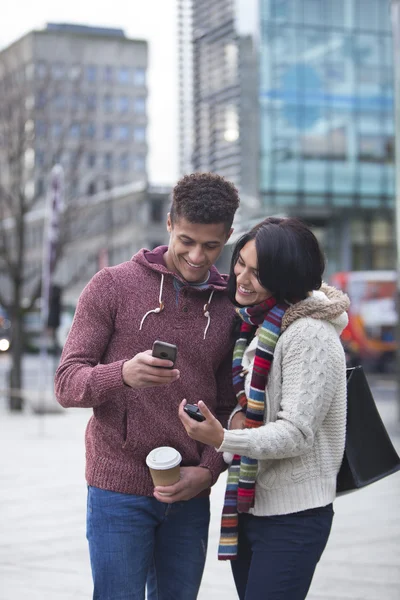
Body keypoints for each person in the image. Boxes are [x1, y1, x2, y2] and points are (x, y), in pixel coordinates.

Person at [54, 172, 240, 600]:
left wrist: (208, 471)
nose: (197, 256)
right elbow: (66, 383)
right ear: (170, 223)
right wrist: (121, 373)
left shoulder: (229, 305)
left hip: (189, 488)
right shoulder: (112, 286)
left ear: (228, 236)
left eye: (211, 246)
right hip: (117, 488)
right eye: (188, 240)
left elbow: (232, 404)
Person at [179, 216, 350, 600]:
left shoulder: (309, 334)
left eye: (259, 272)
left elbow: (297, 433)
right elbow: (254, 409)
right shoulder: (255, 324)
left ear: (287, 276)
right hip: (253, 504)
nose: (241, 277)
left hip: (293, 515)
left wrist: (224, 438)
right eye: (240, 262)